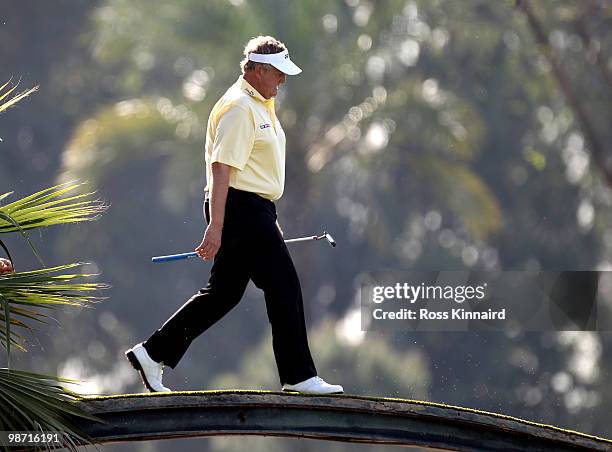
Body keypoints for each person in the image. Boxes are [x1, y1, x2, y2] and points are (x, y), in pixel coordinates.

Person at [125, 36, 343, 395]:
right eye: (277, 73)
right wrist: (216, 226)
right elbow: (221, 169)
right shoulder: (240, 106)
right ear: (256, 70)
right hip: (239, 208)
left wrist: (267, 219)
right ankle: (298, 375)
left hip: (253, 210)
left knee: (224, 293)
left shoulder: (260, 103)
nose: (282, 81)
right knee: (283, 285)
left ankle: (152, 353)